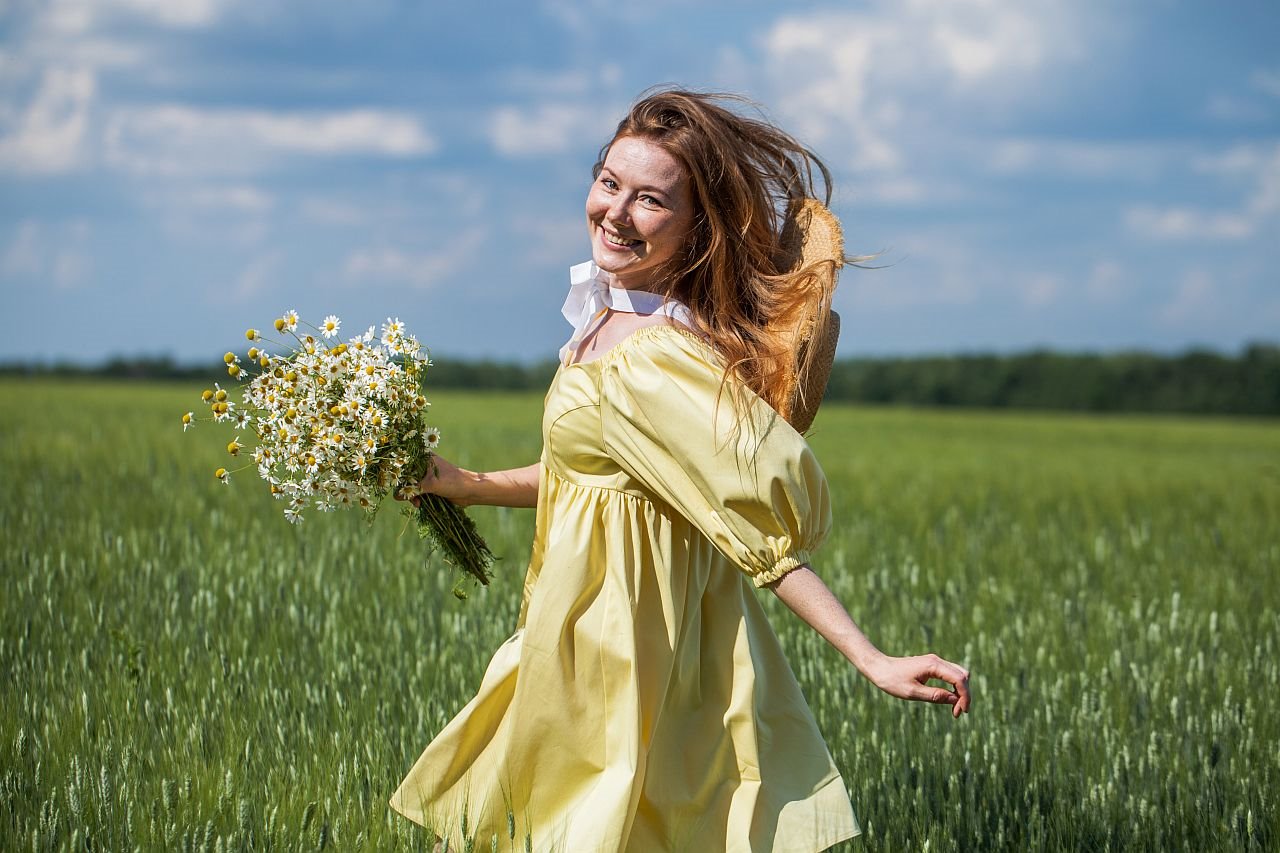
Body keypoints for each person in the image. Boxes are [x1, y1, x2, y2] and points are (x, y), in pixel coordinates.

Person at [391, 88, 972, 852]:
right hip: (567, 638)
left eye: (650, 199)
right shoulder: (606, 318)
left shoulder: (660, 358)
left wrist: (871, 657)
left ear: (696, 224)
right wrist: (463, 484)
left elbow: (758, 534)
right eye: (609, 183)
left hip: (629, 655)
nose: (616, 212)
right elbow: (596, 477)